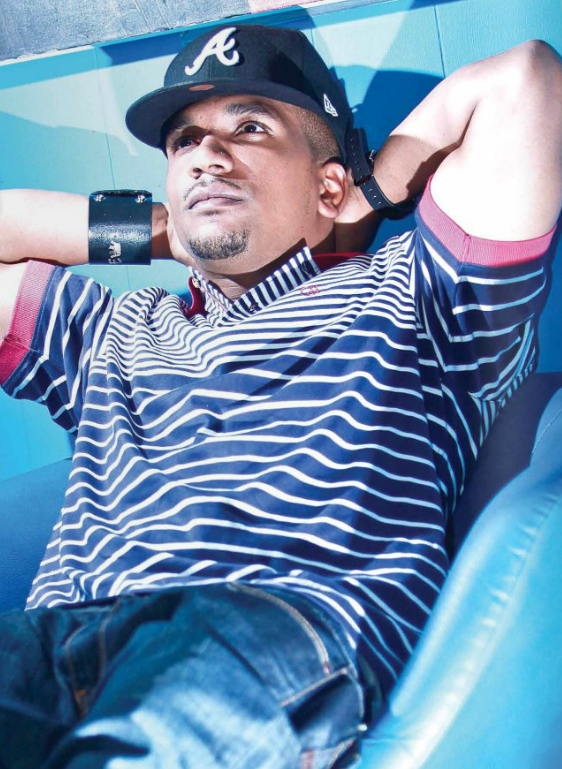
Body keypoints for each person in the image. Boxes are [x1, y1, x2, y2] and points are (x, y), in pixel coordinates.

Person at [0, 22, 561, 769]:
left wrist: (362, 196)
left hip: (262, 628)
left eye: (249, 129)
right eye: (185, 143)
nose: (207, 155)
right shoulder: (112, 330)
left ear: (326, 182)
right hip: (54, 633)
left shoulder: (417, 297)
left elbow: (527, 81)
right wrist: (168, 230)